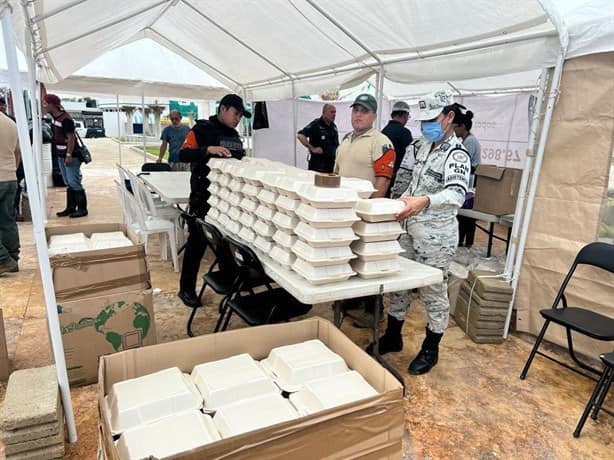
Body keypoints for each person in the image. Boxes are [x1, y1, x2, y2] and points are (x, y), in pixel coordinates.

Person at [367, 90, 471, 376]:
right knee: (398, 281)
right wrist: (387, 204)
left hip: (436, 236)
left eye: (433, 119)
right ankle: (393, 336)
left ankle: (430, 348)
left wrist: (424, 201)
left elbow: (457, 195)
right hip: (408, 229)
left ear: (449, 117)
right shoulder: (418, 146)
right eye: (423, 120)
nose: (427, 126)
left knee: (433, 290)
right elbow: (403, 179)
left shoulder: (457, 154)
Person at [177, 94, 250, 308]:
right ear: (224, 109)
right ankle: (186, 289)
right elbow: (182, 154)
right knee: (197, 244)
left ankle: (230, 281)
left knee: (224, 241)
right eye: (236, 114)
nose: (238, 119)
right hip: (203, 198)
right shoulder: (202, 130)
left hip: (227, 200)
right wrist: (207, 151)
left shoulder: (234, 135)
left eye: (240, 116)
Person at [334, 93, 396, 327]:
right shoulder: (346, 140)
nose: (358, 114)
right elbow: (337, 175)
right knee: (349, 258)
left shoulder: (380, 141)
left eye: (364, 111)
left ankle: (373, 311)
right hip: (345, 213)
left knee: (369, 261)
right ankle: (351, 302)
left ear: (374, 115)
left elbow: (383, 179)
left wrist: (371, 213)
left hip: (368, 214)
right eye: (355, 110)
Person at [43, 94, 88, 218]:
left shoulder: (65, 119)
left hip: (70, 156)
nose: (44, 105)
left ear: (52, 104)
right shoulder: (55, 118)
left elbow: (71, 138)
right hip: (61, 155)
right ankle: (71, 207)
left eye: (46, 103)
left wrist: (68, 154)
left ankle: (82, 209)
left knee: (74, 182)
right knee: (68, 182)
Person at [454, 111, 481, 248]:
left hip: (470, 181)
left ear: (462, 126)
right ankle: (462, 241)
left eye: (456, 127)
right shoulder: (466, 140)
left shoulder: (470, 141)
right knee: (464, 215)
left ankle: (466, 242)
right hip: (468, 180)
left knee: (467, 215)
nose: (454, 130)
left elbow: (465, 163)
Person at [0, 111, 21, 275]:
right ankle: (13, 257)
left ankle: (3, 259)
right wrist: (11, 170)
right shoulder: (10, 123)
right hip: (9, 177)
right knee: (7, 220)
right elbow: (17, 152)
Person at [382, 101, 413, 197]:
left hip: (383, 175)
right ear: (404, 115)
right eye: (408, 116)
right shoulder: (405, 133)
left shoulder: (384, 131)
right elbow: (410, 158)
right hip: (397, 178)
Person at [297, 104, 339, 173]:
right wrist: (312, 148)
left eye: (335, 112)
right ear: (324, 112)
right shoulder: (316, 124)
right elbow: (300, 135)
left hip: (331, 166)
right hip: (318, 166)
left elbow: (336, 144)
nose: (334, 114)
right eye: (332, 112)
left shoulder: (333, 126)